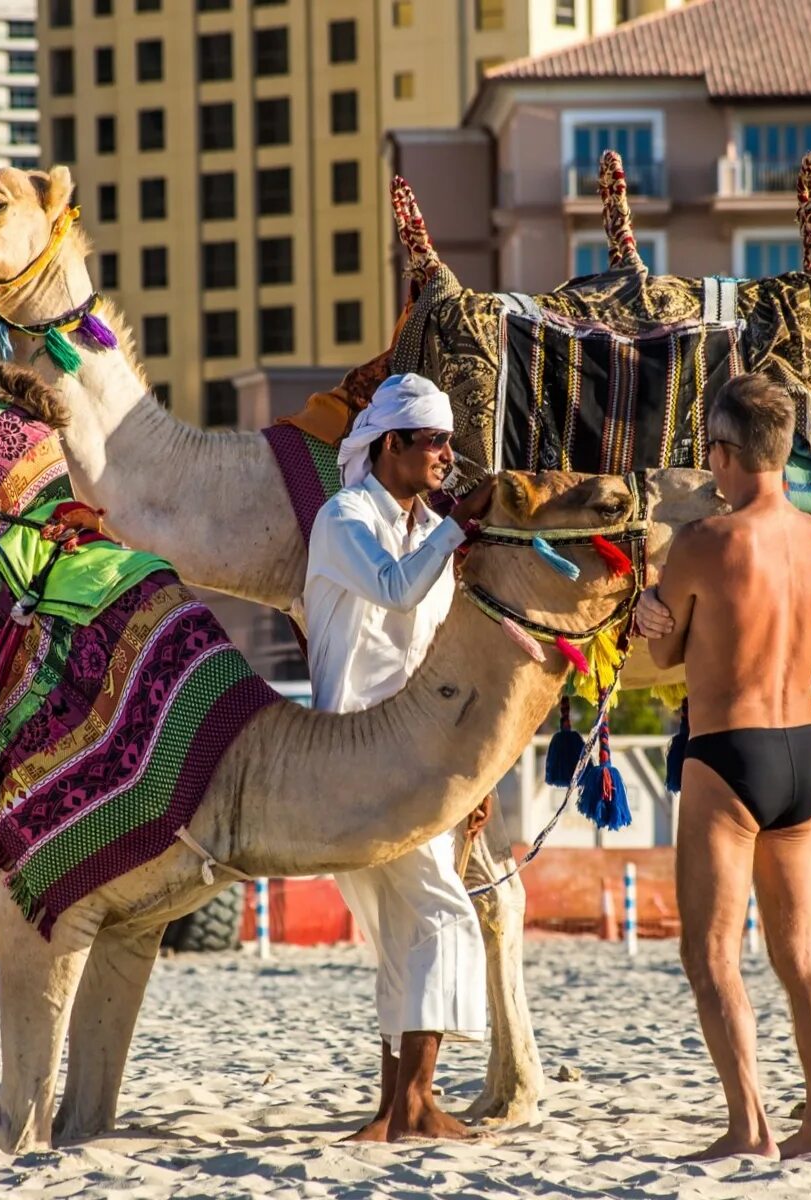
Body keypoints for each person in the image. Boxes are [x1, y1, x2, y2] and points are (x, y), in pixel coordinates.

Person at [632, 372, 811, 1160]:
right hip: (801, 755)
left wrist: (655, 609)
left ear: (722, 453)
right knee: (801, 956)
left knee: (710, 952)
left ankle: (747, 1126)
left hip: (728, 754)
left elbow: (669, 650)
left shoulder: (703, 543)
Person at [305, 372, 496, 1141]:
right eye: (433, 441)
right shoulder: (343, 516)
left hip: (419, 762)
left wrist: (471, 774)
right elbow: (393, 591)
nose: (448, 455)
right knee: (444, 918)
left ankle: (393, 1110)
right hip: (355, 758)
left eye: (451, 442)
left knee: (401, 933)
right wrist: (457, 528)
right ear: (389, 446)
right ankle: (416, 1103)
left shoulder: (426, 533)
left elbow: (438, 652)